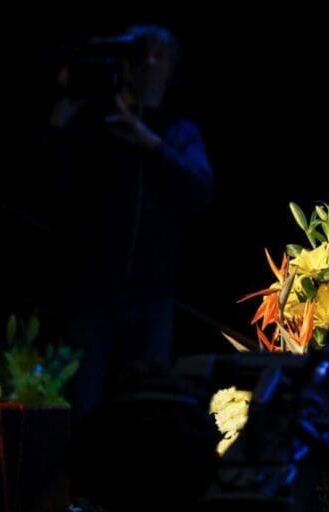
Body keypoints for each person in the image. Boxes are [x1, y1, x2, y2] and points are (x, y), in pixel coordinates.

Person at [47, 24, 214, 413]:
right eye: (141, 53)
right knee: (82, 404)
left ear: (172, 67)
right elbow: (53, 188)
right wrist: (58, 128)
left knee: (144, 409)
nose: (149, 63)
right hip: (92, 294)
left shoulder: (179, 131)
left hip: (152, 298)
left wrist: (149, 143)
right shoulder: (96, 123)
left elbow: (200, 190)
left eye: (160, 55)